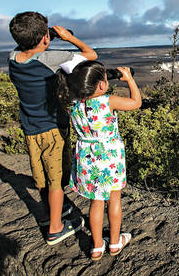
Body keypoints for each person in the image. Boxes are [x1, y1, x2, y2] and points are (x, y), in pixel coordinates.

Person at [8, 11, 97, 245]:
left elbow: (29, 51)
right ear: (44, 38)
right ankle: (56, 228)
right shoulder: (52, 59)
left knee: (42, 177)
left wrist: (45, 41)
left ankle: (52, 211)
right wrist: (68, 38)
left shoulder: (12, 57)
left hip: (30, 128)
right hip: (52, 128)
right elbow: (91, 55)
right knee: (56, 180)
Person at [58, 60, 141, 260]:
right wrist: (129, 80)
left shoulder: (75, 105)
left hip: (87, 157)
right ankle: (114, 242)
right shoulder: (107, 101)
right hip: (109, 157)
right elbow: (136, 103)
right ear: (102, 85)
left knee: (96, 202)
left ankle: (97, 246)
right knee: (114, 198)